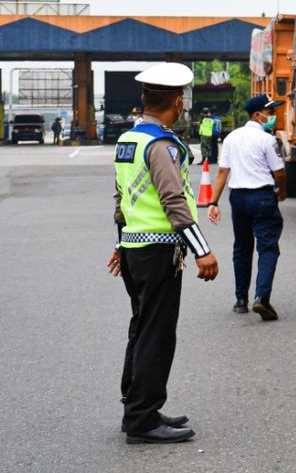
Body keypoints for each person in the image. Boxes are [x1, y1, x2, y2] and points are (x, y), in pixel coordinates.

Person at [106, 61, 219, 444]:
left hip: (135, 249)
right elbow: (174, 200)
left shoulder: (129, 141)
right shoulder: (162, 145)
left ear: (142, 99)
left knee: (141, 327)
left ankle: (138, 407)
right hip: (158, 251)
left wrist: (120, 244)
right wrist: (202, 251)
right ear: (178, 100)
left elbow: (123, 199)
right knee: (157, 333)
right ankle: (142, 419)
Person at [205, 94, 287, 320]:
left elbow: (223, 172)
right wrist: (282, 191)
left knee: (242, 247)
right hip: (262, 196)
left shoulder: (232, 138)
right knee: (268, 248)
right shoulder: (267, 140)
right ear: (257, 114)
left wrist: (213, 202)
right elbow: (279, 172)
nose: (273, 116)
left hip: (238, 198)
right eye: (270, 112)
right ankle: (262, 298)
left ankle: (241, 300)